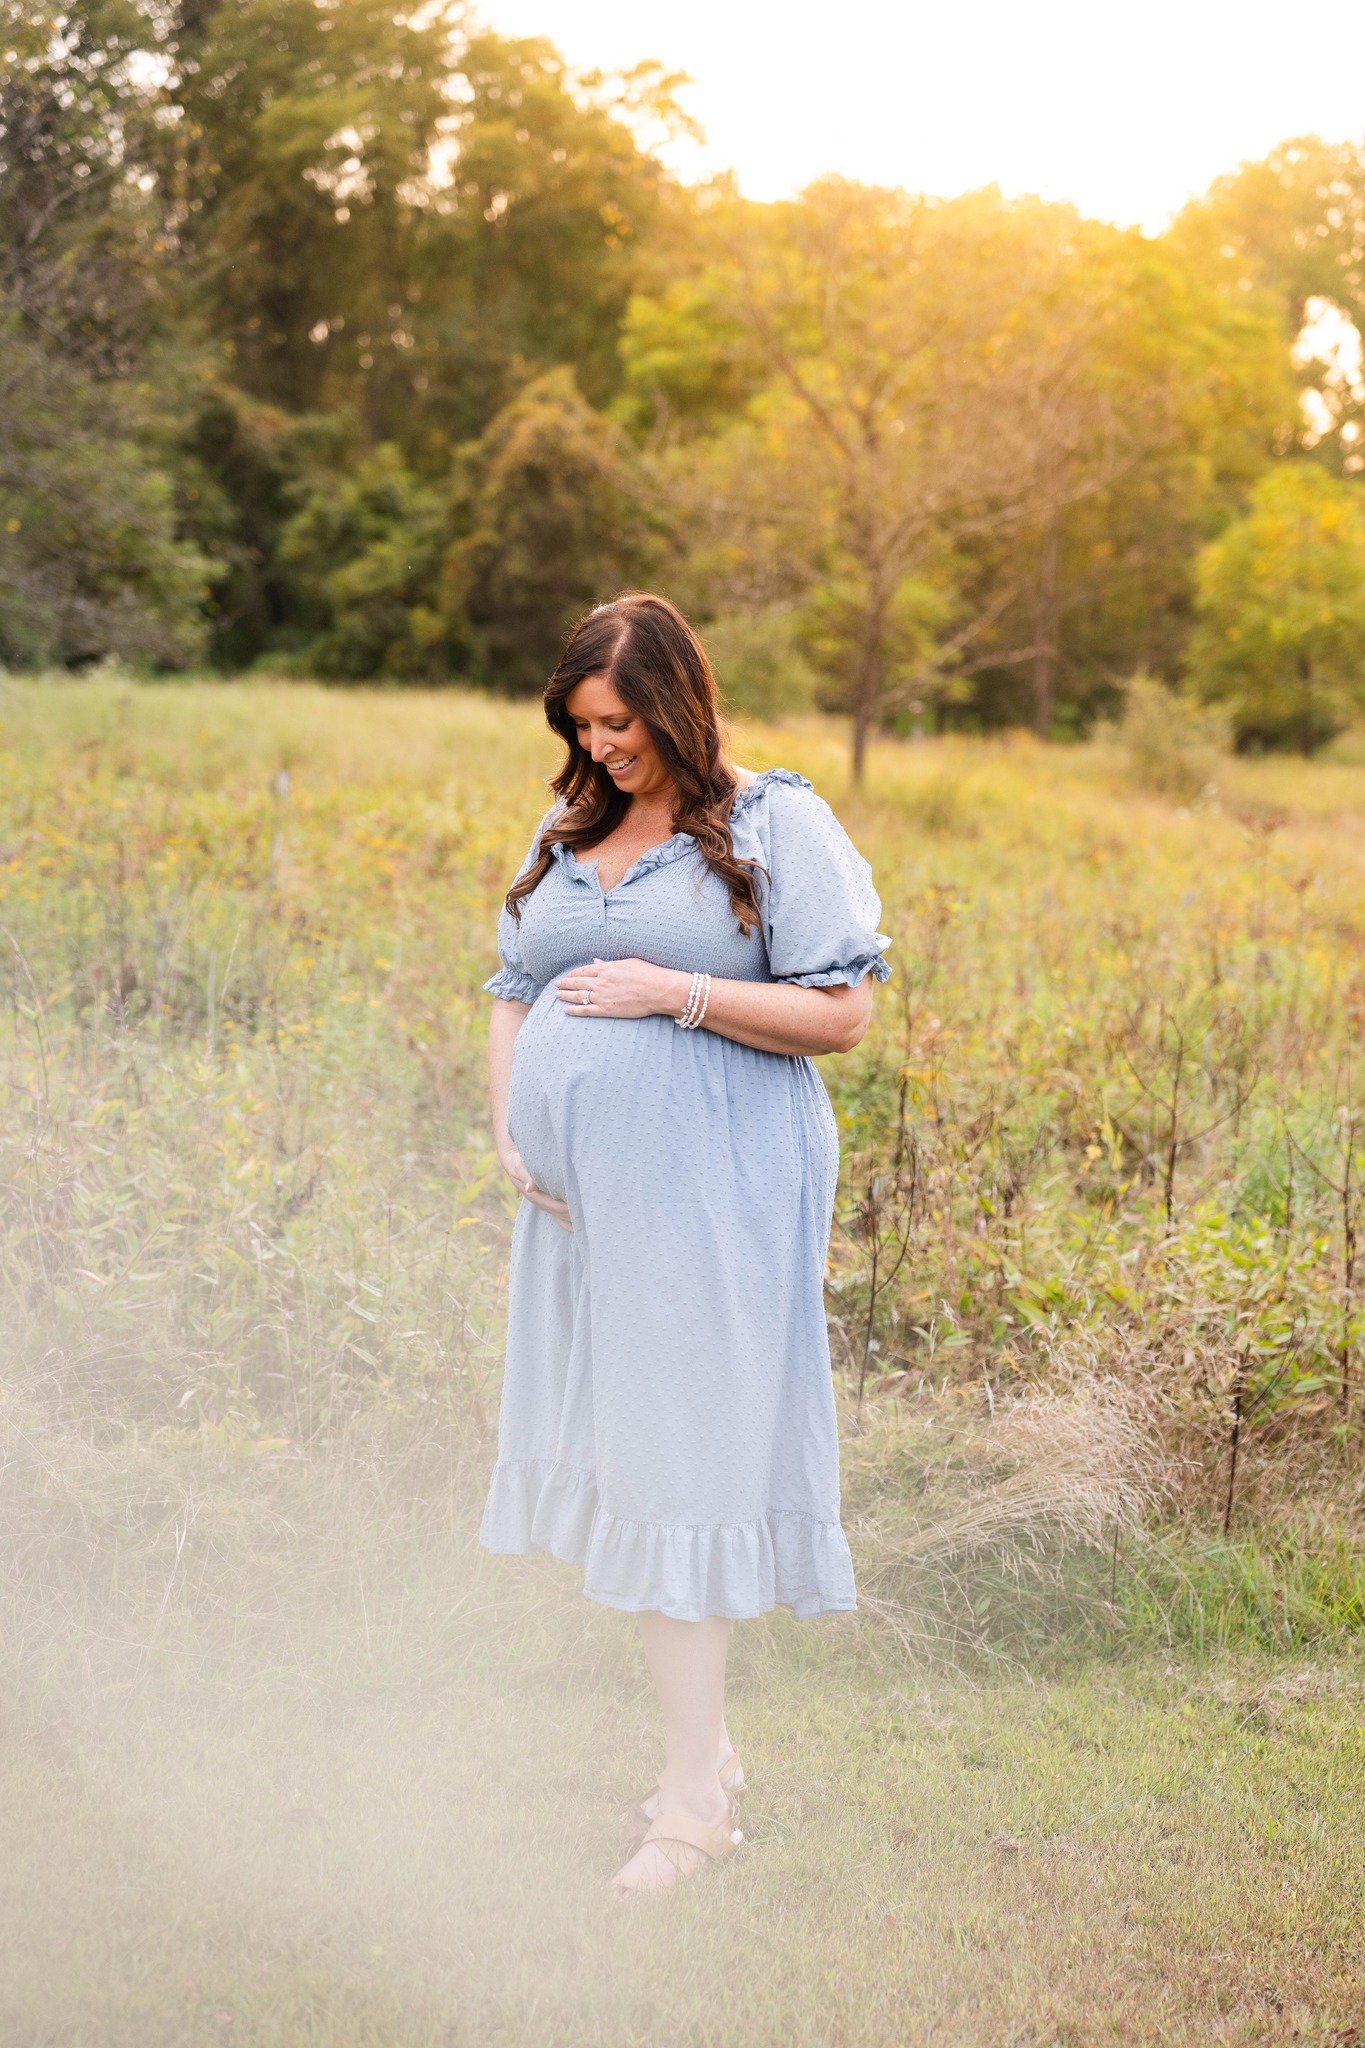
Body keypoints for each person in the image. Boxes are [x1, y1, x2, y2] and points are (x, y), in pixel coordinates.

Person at [481, 592, 890, 1896]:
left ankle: (692, 1801)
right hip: (583, 1212)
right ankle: (703, 1762)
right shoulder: (567, 827)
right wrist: (511, 1131)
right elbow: (513, 993)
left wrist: (679, 993)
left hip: (714, 1193)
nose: (603, 748)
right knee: (628, 1462)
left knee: (674, 1467)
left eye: (623, 723)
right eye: (582, 725)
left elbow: (841, 1016)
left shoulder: (775, 822)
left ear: (677, 702)